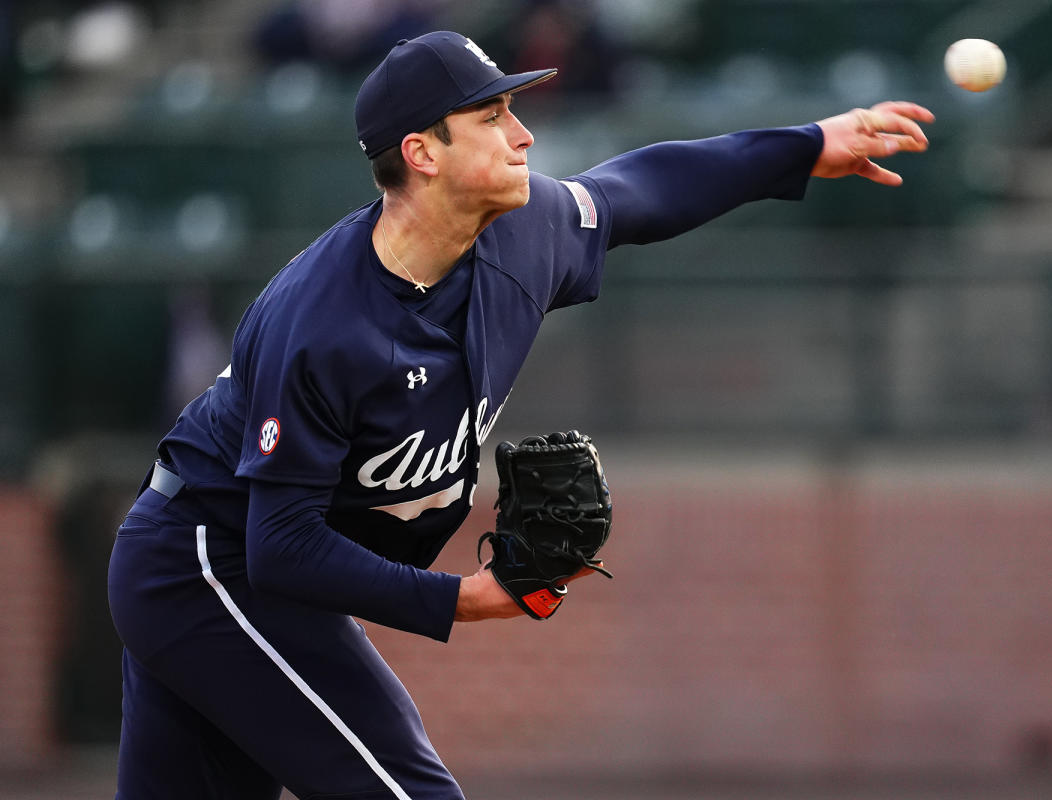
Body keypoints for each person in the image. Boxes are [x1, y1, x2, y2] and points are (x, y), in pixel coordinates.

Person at [107, 30, 933, 800]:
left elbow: (639, 191)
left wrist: (806, 145)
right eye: (492, 115)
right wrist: (463, 598)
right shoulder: (321, 324)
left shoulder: (524, 232)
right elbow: (280, 548)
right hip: (207, 567)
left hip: (244, 574)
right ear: (422, 153)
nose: (523, 135)